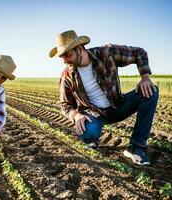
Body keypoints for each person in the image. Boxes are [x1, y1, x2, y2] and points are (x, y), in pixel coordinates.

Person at [49, 30, 159, 165]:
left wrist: (145, 77)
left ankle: (136, 147)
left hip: (119, 106)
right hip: (95, 114)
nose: (65, 60)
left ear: (79, 48)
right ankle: (92, 139)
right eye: (62, 57)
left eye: (67, 55)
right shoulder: (67, 75)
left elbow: (139, 53)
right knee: (88, 135)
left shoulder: (106, 53)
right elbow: (65, 104)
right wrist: (76, 115)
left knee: (151, 91)